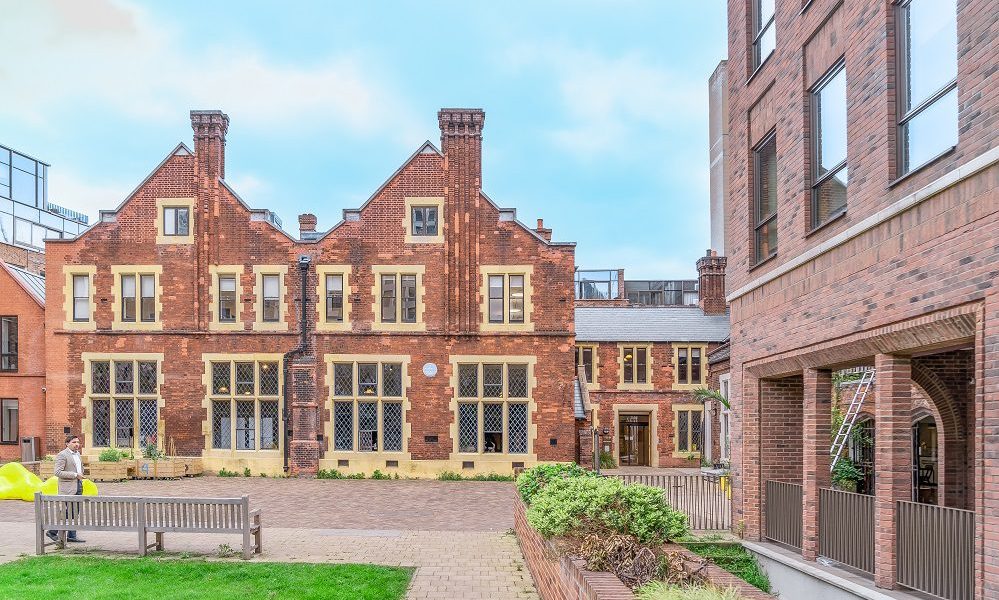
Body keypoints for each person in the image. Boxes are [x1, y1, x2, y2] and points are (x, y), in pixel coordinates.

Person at [46, 434, 86, 544]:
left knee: (75, 511)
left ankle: (72, 536)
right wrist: (75, 475)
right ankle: (52, 531)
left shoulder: (78, 454)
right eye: (74, 442)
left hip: (78, 484)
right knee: (68, 511)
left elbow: (79, 468)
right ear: (67, 444)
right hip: (68, 488)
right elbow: (57, 472)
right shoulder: (62, 455)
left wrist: (81, 474)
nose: (77, 444)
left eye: (78, 442)